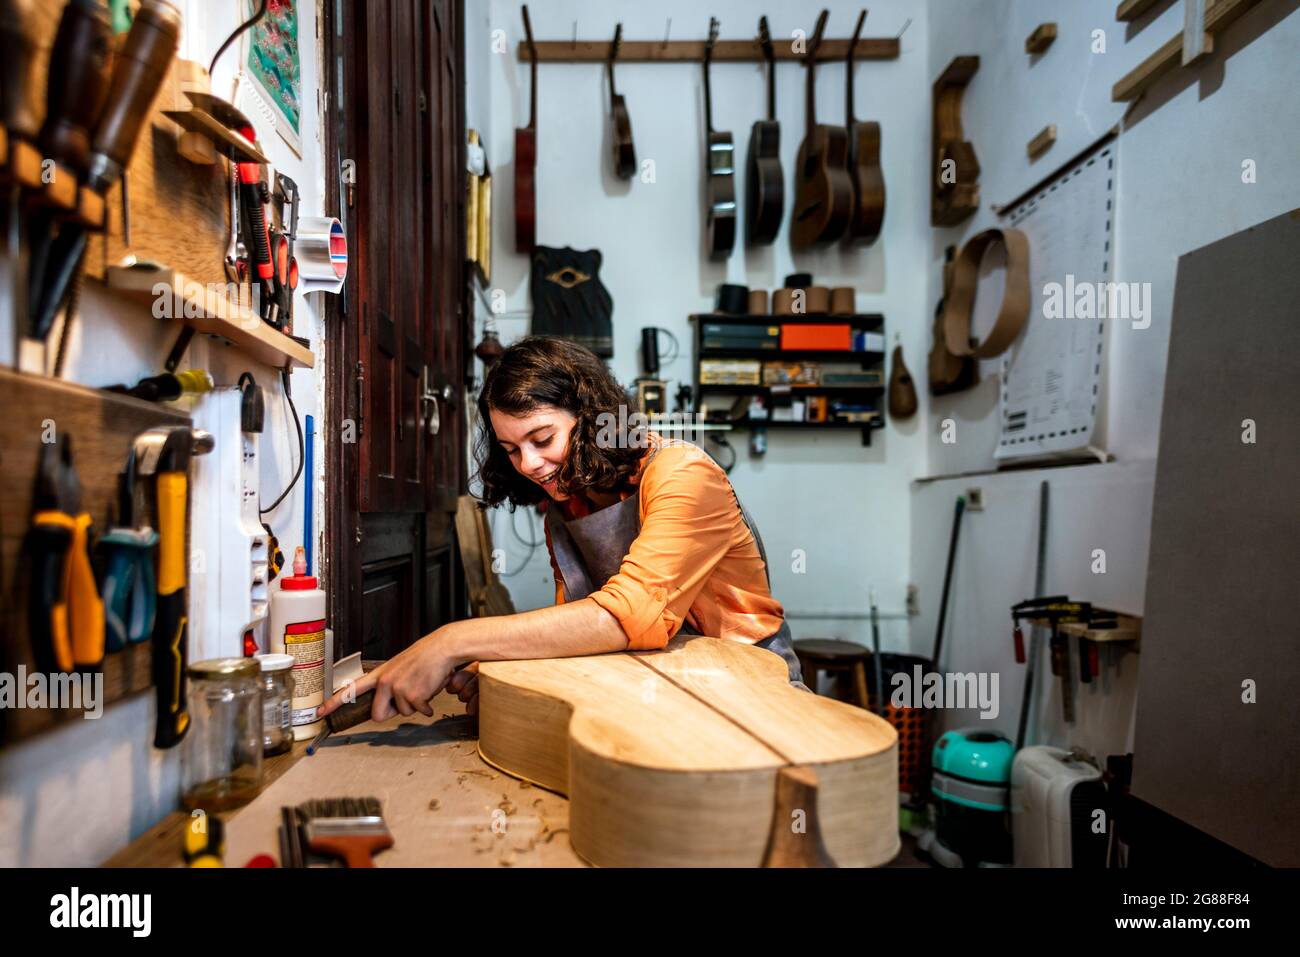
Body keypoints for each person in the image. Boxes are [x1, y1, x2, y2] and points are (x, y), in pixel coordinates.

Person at [319, 336, 807, 725]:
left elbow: (629, 619)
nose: (529, 464)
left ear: (591, 420)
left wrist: (451, 640)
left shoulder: (683, 474)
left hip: (751, 695)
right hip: (662, 692)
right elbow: (578, 630)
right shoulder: (566, 507)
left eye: (543, 438)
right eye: (511, 450)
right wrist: (502, 668)